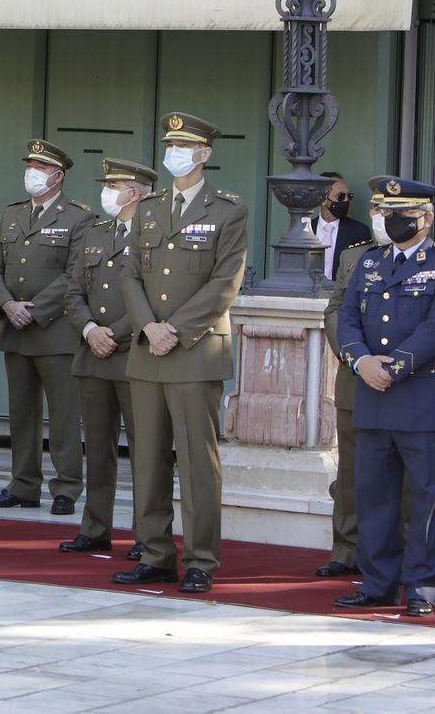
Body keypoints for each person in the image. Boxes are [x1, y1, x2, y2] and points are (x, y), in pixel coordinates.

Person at [113, 112, 248, 595]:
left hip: (195, 350)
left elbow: (225, 282)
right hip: (149, 349)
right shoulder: (148, 208)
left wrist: (176, 328)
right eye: (171, 145)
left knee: (195, 461)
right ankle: (154, 553)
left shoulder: (228, 209)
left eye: (186, 146)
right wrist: (148, 326)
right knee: (147, 459)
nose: (175, 153)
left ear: (205, 154)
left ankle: (201, 559)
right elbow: (130, 275)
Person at [333, 178, 435, 618]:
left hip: (424, 399)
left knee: (429, 500)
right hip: (374, 396)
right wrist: (360, 361)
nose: (391, 221)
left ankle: (424, 587)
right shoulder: (370, 262)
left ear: (425, 219)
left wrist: (394, 365)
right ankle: (377, 583)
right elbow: (348, 316)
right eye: (387, 213)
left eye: (402, 214)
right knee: (375, 497)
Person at [0, 139, 92, 515]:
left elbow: (76, 275)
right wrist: (8, 305)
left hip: (55, 330)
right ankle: (24, 483)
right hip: (15, 327)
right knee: (21, 411)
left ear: (57, 176)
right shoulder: (12, 214)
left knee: (62, 414)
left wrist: (35, 308)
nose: (31, 173)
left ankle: (67, 487)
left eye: (39, 168)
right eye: (30, 166)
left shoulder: (79, 217)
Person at [59, 158, 156, 557]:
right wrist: (89, 330)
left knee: (144, 452)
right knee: (97, 449)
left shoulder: (154, 235)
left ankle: (147, 535)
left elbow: (152, 297)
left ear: (135, 192)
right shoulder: (96, 233)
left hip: (133, 354)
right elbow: (73, 290)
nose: (108, 191)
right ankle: (96, 526)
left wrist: (113, 333)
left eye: (115, 184)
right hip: (93, 354)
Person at [318, 183, 386, 577]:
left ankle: (397, 551)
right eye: (376, 208)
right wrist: (356, 358)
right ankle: (346, 550)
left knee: (402, 477)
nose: (379, 217)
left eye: (386, 210)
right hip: (356, 378)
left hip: (401, 381)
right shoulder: (354, 258)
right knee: (350, 474)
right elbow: (336, 310)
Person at [316, 171, 372, 283]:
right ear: (323, 199)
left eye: (349, 196)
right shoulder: (306, 228)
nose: (346, 201)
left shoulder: (359, 231)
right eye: (341, 196)